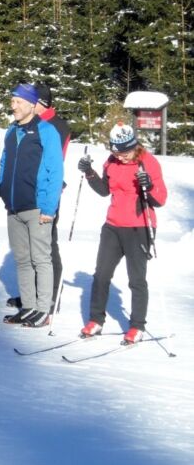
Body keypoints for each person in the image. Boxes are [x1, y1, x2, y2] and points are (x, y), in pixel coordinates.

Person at [77, 123, 167, 344]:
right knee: (101, 275)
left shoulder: (148, 162)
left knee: (136, 279)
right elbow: (104, 191)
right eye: (117, 152)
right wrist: (89, 173)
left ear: (134, 145)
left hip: (139, 227)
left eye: (125, 152)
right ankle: (96, 320)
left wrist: (148, 186)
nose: (122, 157)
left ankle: (137, 325)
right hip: (113, 226)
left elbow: (161, 199)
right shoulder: (112, 161)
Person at [0, 83, 64, 327]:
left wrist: (49, 208)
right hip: (14, 207)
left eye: (17, 102)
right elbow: (4, 163)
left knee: (41, 259)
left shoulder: (46, 131)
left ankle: (43, 310)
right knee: (22, 260)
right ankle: (27, 306)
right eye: (12, 101)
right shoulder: (11, 131)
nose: (12, 106)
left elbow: (55, 170)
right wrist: (2, 188)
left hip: (37, 207)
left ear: (30, 104)